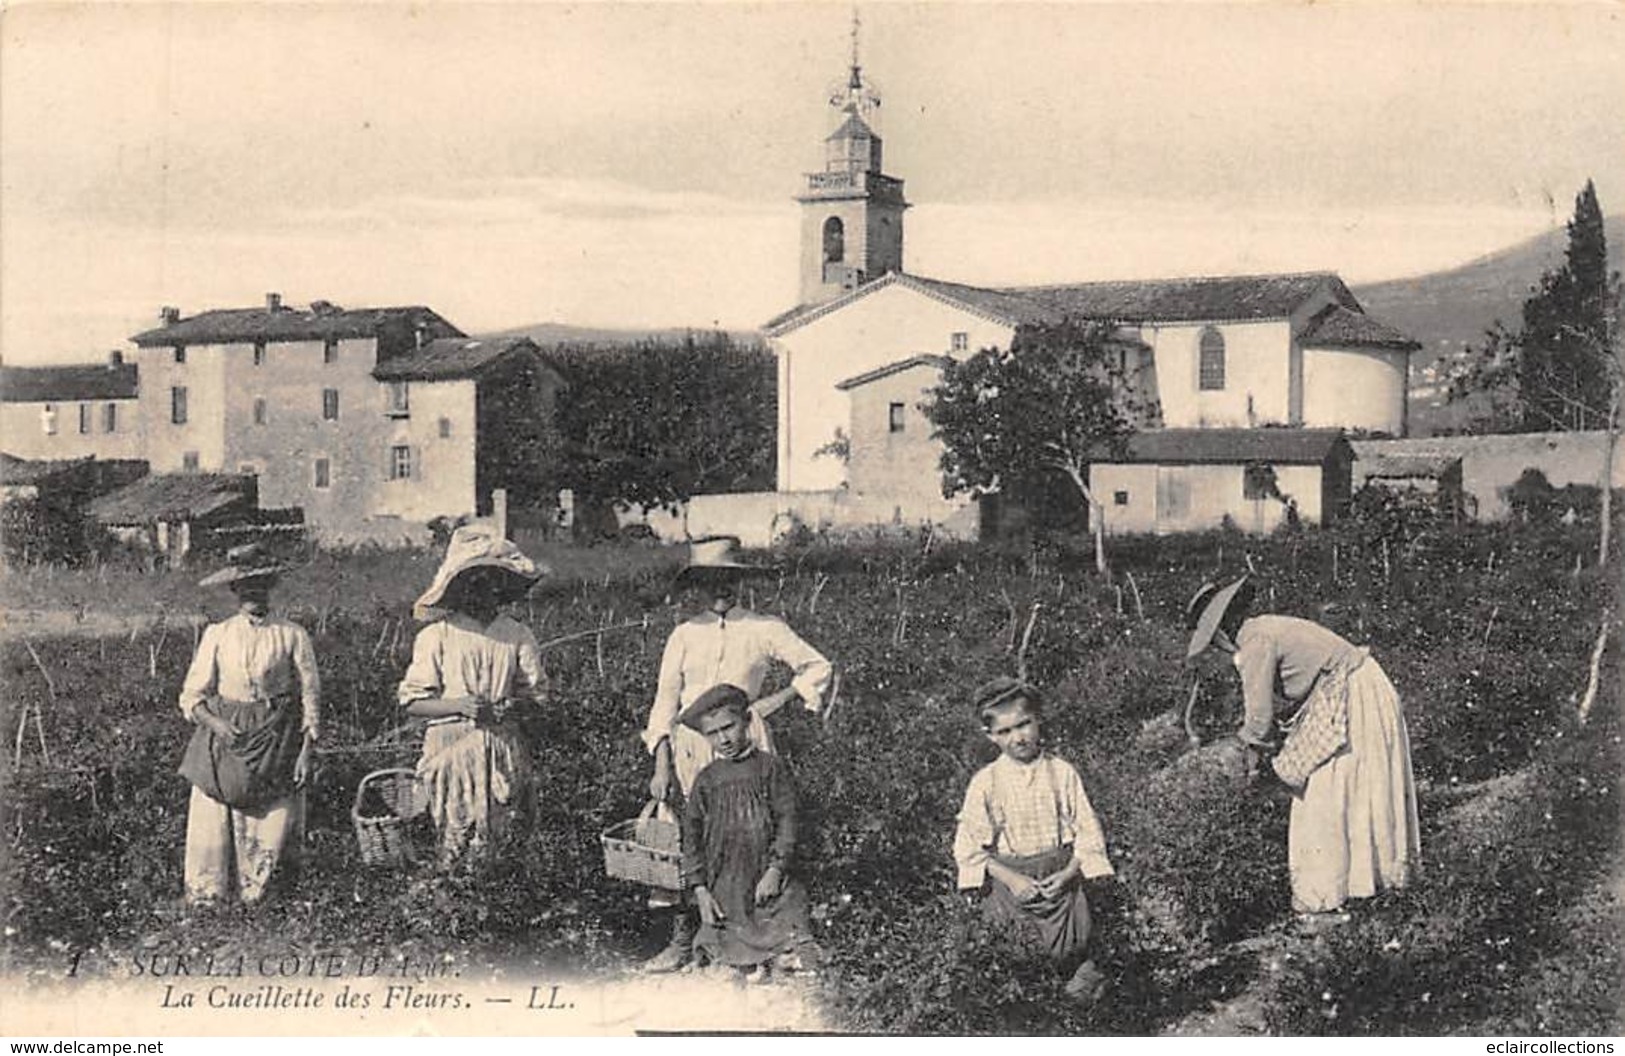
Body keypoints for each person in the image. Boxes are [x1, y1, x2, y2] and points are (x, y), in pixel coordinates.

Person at [640, 535, 833, 973]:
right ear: (696, 586)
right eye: (709, 581)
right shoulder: (684, 634)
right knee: (690, 836)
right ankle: (684, 938)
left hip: (747, 742)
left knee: (750, 836)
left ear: (741, 581)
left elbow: (818, 666)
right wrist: (661, 759)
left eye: (728, 580)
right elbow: (664, 702)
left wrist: (776, 700)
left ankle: (755, 935)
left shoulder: (764, 627)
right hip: (691, 747)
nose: (719, 590)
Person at [1185, 575, 1420, 923]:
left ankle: (1328, 899)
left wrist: (1245, 760)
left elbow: (1259, 722)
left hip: (1353, 693)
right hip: (1357, 686)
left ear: (1222, 629)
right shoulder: (1262, 630)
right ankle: (1367, 889)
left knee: (1325, 797)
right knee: (1350, 790)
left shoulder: (1255, 643)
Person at [953, 676, 1114, 1001]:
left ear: (1038, 719)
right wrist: (1013, 880)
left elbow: (1088, 831)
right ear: (990, 736)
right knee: (1019, 965)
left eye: (1023, 725)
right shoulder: (986, 782)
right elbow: (969, 848)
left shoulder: (1062, 772)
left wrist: (1069, 874)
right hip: (1012, 888)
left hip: (1060, 881)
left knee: (1079, 963)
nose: (1018, 738)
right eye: (1005, 731)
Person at [177, 544, 320, 905]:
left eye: (260, 585)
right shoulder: (218, 634)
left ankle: (263, 898)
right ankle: (209, 898)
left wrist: (306, 751)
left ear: (270, 587)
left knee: (272, 817)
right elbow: (192, 695)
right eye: (245, 587)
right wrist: (217, 724)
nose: (253, 594)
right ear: (234, 591)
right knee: (214, 813)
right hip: (226, 739)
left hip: (277, 737)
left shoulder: (292, 635)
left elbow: (310, 697)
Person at [398, 522, 547, 864]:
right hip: (450, 747)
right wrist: (460, 706)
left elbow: (537, 697)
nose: (484, 591)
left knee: (502, 838)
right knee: (454, 835)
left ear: (501, 587)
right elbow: (412, 703)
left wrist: (511, 707)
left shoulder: (516, 634)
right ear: (459, 586)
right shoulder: (437, 636)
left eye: (492, 582)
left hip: (501, 746)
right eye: (474, 582)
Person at [678, 683, 824, 979]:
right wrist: (700, 888)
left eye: (728, 727)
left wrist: (775, 869)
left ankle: (786, 956)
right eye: (713, 733)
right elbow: (691, 837)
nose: (723, 739)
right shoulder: (706, 780)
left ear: (746, 721)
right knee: (719, 933)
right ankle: (743, 962)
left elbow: (788, 820)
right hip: (726, 879)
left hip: (765, 874)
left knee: (788, 911)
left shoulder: (769, 768)